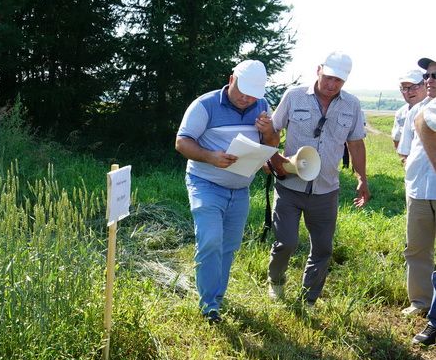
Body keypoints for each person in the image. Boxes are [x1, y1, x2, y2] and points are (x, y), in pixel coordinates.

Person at [176, 60, 278, 324]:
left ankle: (216, 298)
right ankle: (208, 305)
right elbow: (182, 142)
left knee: (228, 246)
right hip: (205, 183)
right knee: (210, 240)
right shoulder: (204, 105)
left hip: (240, 188)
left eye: (252, 94)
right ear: (231, 79)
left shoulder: (263, 106)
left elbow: (272, 144)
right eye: (242, 90)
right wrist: (210, 157)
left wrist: (268, 134)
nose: (246, 98)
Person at [266, 51, 370, 307]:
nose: (332, 85)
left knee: (323, 248)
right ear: (318, 70)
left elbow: (355, 144)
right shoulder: (294, 96)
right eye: (329, 77)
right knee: (286, 242)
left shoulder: (352, 105)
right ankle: (276, 282)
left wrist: (362, 178)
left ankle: (309, 299)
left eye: (339, 81)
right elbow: (273, 129)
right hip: (290, 185)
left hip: (326, 189)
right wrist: (272, 158)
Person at [396, 58, 436, 318]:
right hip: (419, 191)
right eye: (428, 76)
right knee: (417, 249)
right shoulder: (416, 111)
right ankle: (421, 302)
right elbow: (405, 151)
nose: (430, 81)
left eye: (435, 76)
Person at [391, 69, 426, 153]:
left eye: (415, 86)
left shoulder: (432, 110)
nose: (410, 92)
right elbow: (397, 140)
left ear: (425, 85)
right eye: (405, 88)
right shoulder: (401, 113)